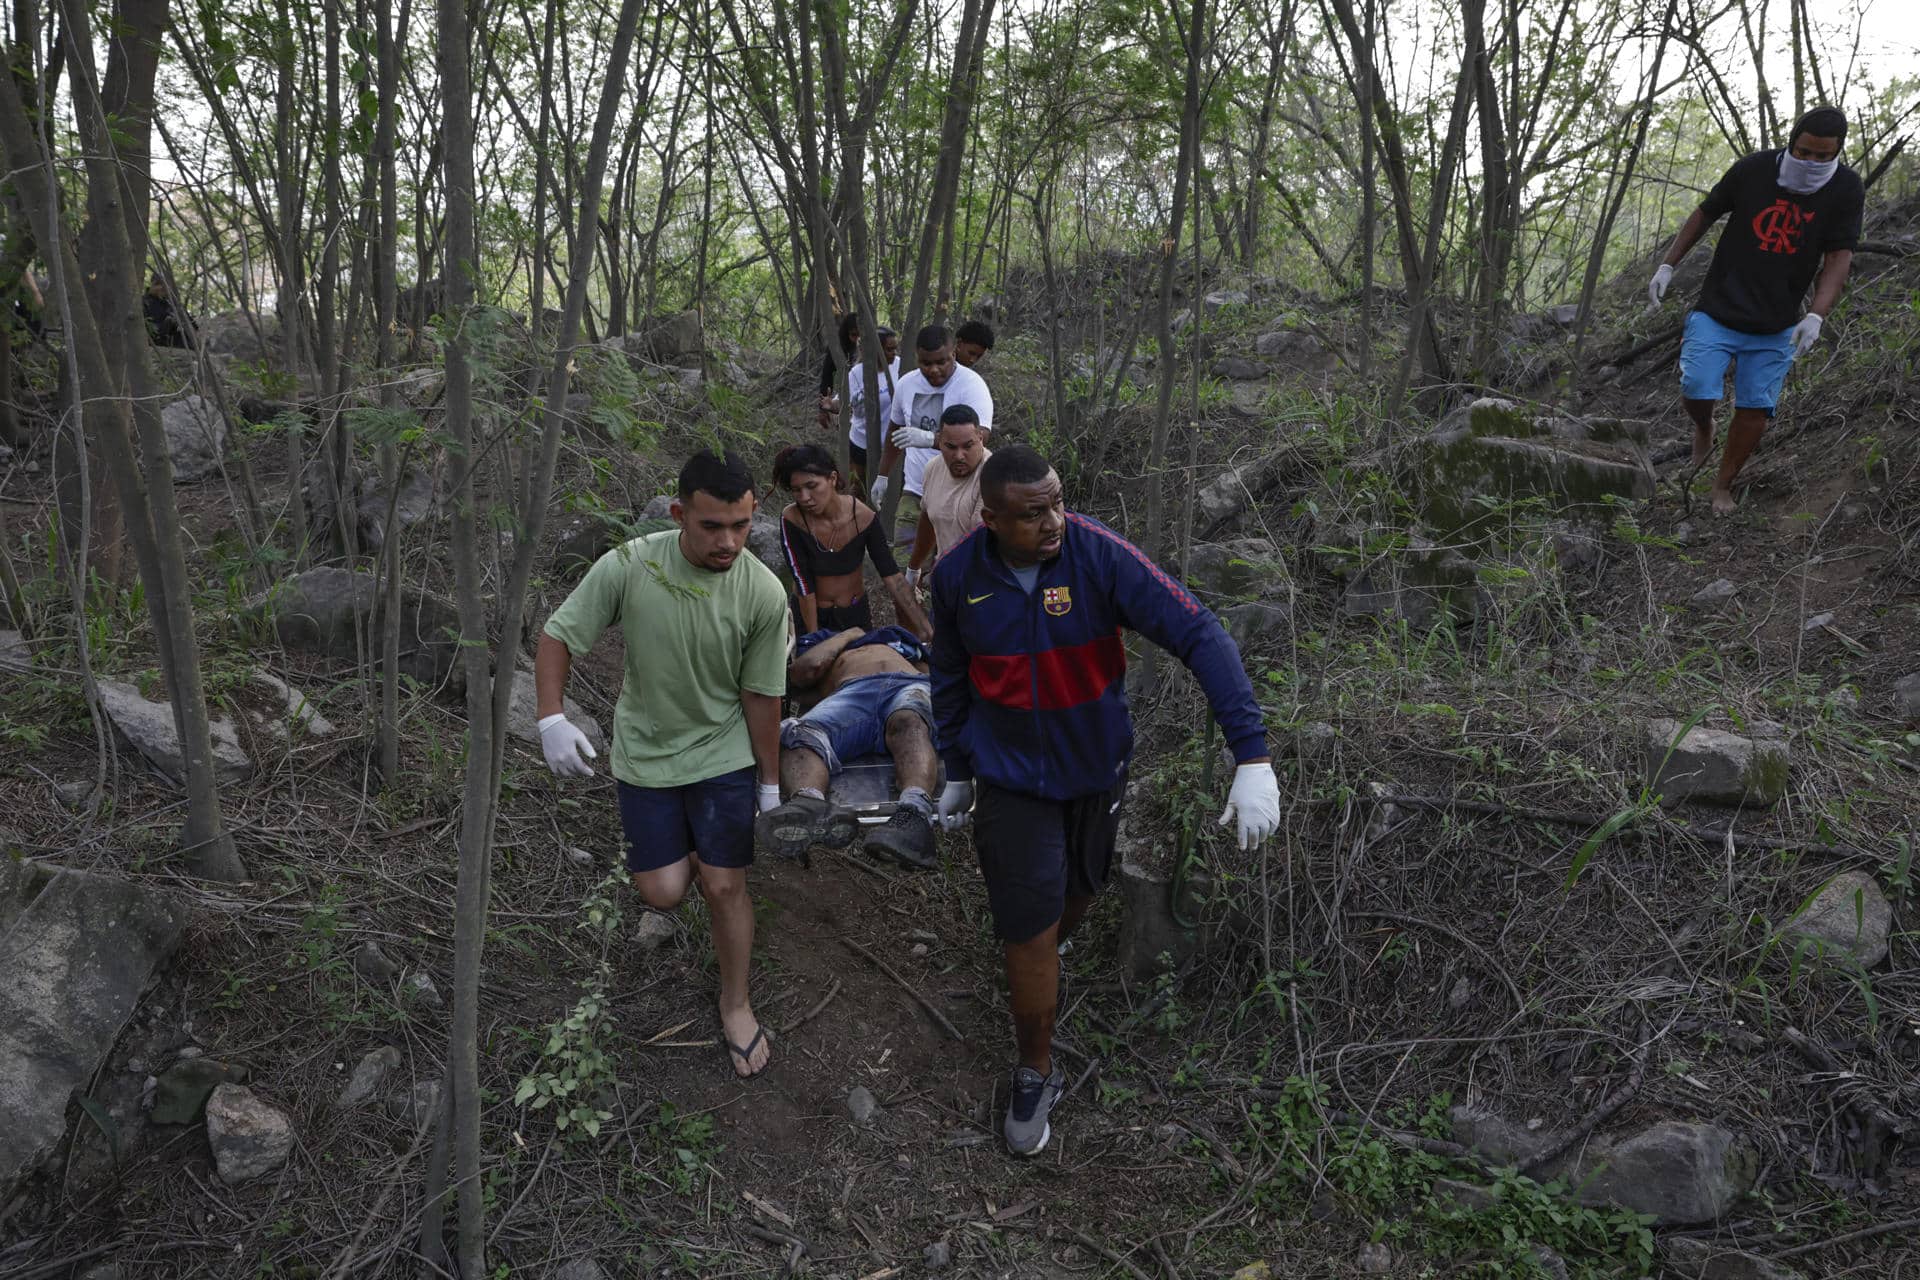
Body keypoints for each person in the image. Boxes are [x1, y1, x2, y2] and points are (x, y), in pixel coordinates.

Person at [928, 445, 1281, 1156]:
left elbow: (1200, 631)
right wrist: (960, 768)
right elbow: (949, 674)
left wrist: (1253, 756)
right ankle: (1035, 1068)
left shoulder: (1098, 556)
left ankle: (1038, 969)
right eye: (1033, 515)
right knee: (1029, 927)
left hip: (1096, 770)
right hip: (1012, 780)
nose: (1053, 520)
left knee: (1077, 898)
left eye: (1058, 502)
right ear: (991, 520)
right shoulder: (958, 578)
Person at [535, 450, 789, 1078]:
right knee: (664, 891)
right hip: (645, 750)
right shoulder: (631, 563)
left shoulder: (761, 589)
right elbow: (560, 634)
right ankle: (699, 853)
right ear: (679, 514)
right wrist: (549, 717)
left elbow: (761, 695)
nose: (728, 541)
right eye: (711, 527)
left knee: (724, 885)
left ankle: (736, 1003)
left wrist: (771, 783)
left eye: (741, 525)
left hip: (723, 751)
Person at [1647, 106, 1862, 516]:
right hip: (1718, 308)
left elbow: (1839, 254)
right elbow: (1707, 211)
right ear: (1791, 142)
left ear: (1837, 153)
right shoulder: (1755, 169)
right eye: (1802, 152)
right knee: (1696, 385)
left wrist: (1816, 314)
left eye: (1822, 156)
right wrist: (1668, 264)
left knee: (1754, 411)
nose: (1810, 162)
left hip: (1776, 321)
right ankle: (1704, 427)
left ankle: (1722, 485)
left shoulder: (1846, 189)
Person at [757, 625, 941, 870]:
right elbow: (803, 671)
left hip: (908, 686)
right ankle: (808, 805)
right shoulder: (827, 643)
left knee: (912, 720)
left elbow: (935, 677)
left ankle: (914, 816)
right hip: (853, 692)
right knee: (796, 733)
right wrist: (848, 635)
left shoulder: (901, 641)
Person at [774, 443, 932, 640]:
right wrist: (813, 638)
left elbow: (891, 575)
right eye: (797, 490)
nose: (805, 498)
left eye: (812, 486)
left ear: (832, 478)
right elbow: (802, 581)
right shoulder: (792, 519)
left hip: (854, 616)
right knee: (808, 666)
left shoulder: (862, 517)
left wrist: (925, 627)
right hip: (811, 616)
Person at [873, 324, 994, 547]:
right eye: (926, 363)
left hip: (959, 492)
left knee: (950, 563)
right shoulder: (906, 384)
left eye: (941, 362)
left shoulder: (971, 386)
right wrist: (883, 475)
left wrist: (931, 439)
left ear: (953, 354)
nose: (934, 370)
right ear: (917, 358)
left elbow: (981, 438)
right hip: (916, 490)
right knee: (905, 561)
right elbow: (895, 431)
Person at [906, 404, 992, 590]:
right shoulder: (933, 469)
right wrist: (914, 568)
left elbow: (980, 543)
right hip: (948, 580)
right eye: (951, 447)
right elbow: (929, 518)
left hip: (984, 583)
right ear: (940, 442)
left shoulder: (992, 476)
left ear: (980, 439)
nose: (959, 456)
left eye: (968, 446)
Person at [844, 326, 900, 491]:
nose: (894, 353)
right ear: (876, 350)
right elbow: (847, 404)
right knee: (858, 488)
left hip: (892, 444)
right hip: (862, 443)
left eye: (895, 348)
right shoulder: (856, 373)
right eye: (889, 349)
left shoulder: (900, 366)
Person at [815, 313, 860, 430]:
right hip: (847, 402)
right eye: (854, 335)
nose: (858, 340)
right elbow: (827, 376)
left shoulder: (873, 348)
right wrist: (823, 410)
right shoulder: (838, 349)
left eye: (861, 335)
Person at [144, 274, 194, 349]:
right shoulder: (143, 302)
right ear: (152, 284)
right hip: (154, 341)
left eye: (165, 286)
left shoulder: (171, 304)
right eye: (158, 284)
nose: (161, 288)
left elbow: (191, 324)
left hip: (174, 341)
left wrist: (178, 321)